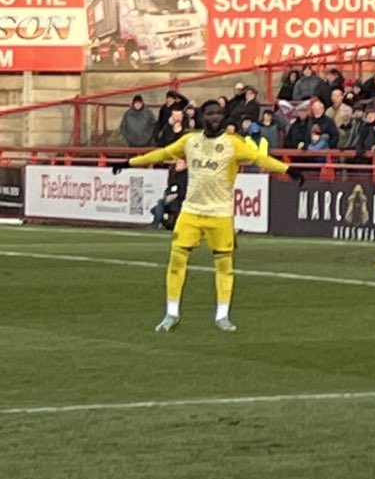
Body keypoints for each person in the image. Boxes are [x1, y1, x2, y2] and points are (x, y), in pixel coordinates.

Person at [124, 99, 301, 332]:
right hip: (191, 211)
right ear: (202, 116)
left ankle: (222, 316)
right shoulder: (190, 141)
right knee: (177, 260)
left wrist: (287, 169)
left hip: (220, 213)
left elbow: (260, 158)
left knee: (224, 265)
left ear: (224, 117)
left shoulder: (233, 143)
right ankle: (171, 313)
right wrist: (129, 162)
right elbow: (161, 154)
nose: (214, 117)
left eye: (218, 113)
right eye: (210, 113)